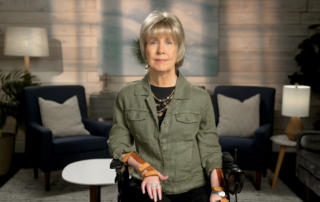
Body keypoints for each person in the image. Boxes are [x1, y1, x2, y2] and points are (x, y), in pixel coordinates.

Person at [107, 11, 227, 202]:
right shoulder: (126, 95)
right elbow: (118, 143)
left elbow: (210, 151)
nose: (161, 50)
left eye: (169, 42)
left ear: (178, 49)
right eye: (153, 42)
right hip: (145, 183)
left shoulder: (200, 98)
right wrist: (145, 169)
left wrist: (218, 191)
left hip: (193, 185)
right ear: (144, 48)